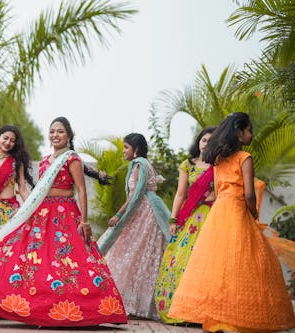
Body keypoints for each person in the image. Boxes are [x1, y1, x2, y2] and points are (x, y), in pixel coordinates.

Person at [0, 117, 127, 327]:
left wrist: (84, 221)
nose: (55, 135)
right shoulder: (46, 160)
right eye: (52, 131)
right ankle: (39, 309)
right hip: (42, 214)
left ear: (69, 135)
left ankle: (90, 308)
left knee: (71, 261)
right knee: (34, 260)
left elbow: (81, 190)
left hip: (65, 214)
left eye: (60, 132)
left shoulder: (71, 158)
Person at [168, 112, 295, 332]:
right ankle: (240, 318)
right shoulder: (245, 158)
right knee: (245, 261)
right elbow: (248, 194)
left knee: (217, 264)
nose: (252, 135)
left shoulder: (217, 160)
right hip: (237, 210)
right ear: (239, 132)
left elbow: (218, 190)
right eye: (249, 130)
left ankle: (218, 317)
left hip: (219, 212)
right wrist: (253, 213)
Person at [97, 133, 170, 320]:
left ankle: (131, 303)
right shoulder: (141, 164)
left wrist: (119, 215)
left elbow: (136, 195)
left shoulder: (139, 165)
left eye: (126, 148)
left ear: (135, 149)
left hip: (144, 212)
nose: (123, 152)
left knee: (133, 254)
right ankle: (134, 303)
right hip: (146, 210)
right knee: (138, 258)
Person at [153, 127, 216, 324]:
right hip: (191, 218)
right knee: (182, 260)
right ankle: (182, 310)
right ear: (198, 141)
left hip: (213, 216)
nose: (206, 143)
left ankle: (203, 312)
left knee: (207, 262)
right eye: (203, 139)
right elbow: (181, 194)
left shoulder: (220, 165)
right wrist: (173, 219)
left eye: (210, 141)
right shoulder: (187, 164)